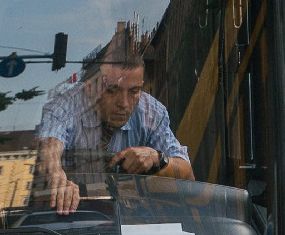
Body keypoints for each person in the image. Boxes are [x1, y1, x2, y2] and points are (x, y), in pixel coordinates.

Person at [35, 22, 195, 213]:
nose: (124, 103)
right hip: (69, 221)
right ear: (90, 87)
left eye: (134, 91)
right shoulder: (67, 104)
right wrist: (55, 175)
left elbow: (187, 176)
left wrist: (157, 158)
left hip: (131, 225)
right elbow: (49, 144)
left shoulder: (151, 112)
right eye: (112, 91)